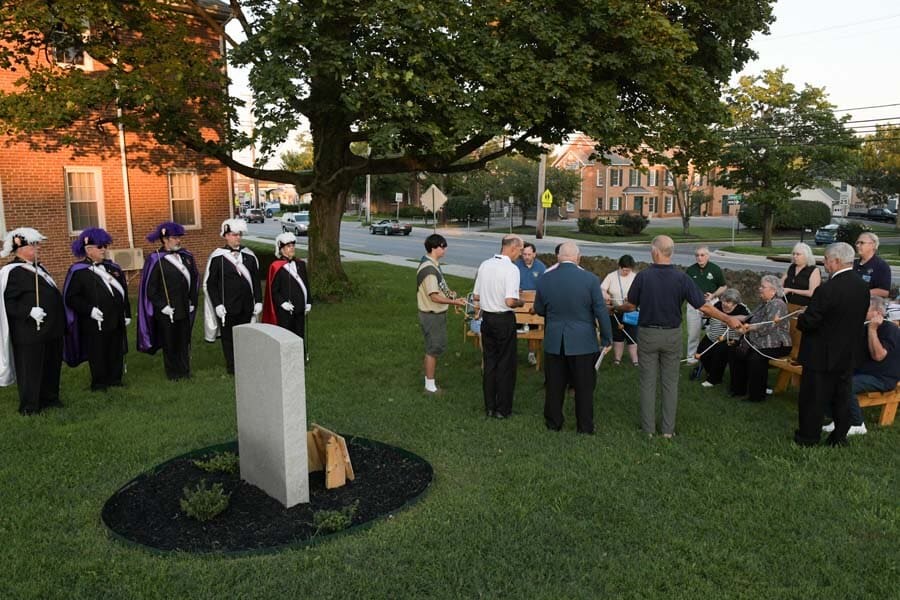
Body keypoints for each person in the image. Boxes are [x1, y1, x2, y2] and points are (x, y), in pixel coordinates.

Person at [622, 235, 742, 437]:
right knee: (670, 383)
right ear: (671, 252)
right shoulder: (682, 278)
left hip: (648, 334)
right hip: (672, 335)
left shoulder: (643, 276)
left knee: (648, 382)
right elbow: (703, 306)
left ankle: (648, 430)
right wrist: (728, 319)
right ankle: (668, 431)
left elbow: (630, 306)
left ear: (655, 251)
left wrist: (614, 308)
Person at [795, 242, 870, 447]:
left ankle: (808, 437)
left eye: (826, 260)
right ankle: (839, 437)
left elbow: (810, 322)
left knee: (813, 397)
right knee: (841, 396)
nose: (825, 264)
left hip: (820, 353)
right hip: (847, 352)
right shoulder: (862, 287)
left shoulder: (827, 289)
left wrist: (802, 318)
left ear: (836, 261)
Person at [534, 242, 612, 434]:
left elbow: (539, 309)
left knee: (554, 384)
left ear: (558, 257)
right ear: (578, 257)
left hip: (554, 339)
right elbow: (600, 311)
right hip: (583, 340)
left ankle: (553, 422)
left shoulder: (545, 279)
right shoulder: (590, 279)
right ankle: (584, 426)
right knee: (584, 386)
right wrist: (607, 338)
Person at [0, 228, 65, 415]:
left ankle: (50, 398)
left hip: (51, 329)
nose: (38, 248)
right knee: (31, 370)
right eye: (34, 245)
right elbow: (8, 303)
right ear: (20, 248)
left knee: (51, 365)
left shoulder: (39, 268)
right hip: (29, 332)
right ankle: (30, 406)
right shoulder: (12, 272)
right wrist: (29, 311)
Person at [62, 227, 131, 391]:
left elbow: (123, 293)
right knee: (98, 352)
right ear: (88, 249)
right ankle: (99, 383)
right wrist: (89, 310)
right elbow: (71, 298)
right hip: (94, 321)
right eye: (100, 247)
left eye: (105, 246)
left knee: (116, 349)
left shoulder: (113, 268)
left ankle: (115, 379)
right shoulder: (78, 271)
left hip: (115, 317)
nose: (104, 250)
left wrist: (126, 313)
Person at [822, 296, 899, 437]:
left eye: (865, 309)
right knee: (827, 378)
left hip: (882, 377)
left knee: (846, 384)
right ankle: (838, 418)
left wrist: (872, 330)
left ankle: (857, 424)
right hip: (862, 372)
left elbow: (878, 356)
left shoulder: (890, 329)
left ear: (877, 313)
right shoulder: (862, 326)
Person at [137, 222, 199, 380]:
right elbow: (150, 289)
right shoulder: (155, 258)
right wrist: (162, 306)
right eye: (174, 238)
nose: (178, 241)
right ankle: (173, 373)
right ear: (165, 239)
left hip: (184, 307)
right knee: (170, 343)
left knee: (184, 341)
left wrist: (192, 300)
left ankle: (185, 371)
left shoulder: (187, 257)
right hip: (167, 310)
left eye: (179, 238)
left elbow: (194, 280)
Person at [473, 234, 524, 418]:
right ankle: (503, 409)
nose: (520, 254)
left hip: (487, 319)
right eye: (520, 250)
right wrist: (521, 301)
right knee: (506, 364)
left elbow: (476, 296)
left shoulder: (485, 265)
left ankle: (489, 406)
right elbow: (510, 301)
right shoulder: (511, 269)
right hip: (503, 319)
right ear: (512, 247)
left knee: (490, 363)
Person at [203, 219, 263, 374]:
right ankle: (232, 367)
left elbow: (256, 281)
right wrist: (217, 305)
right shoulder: (218, 258)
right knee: (228, 339)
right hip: (227, 307)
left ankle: (247, 364)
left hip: (247, 306)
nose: (238, 238)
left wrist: (258, 300)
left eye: (239, 235)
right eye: (234, 235)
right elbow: (210, 284)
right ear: (226, 236)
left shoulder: (249, 256)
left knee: (247, 336)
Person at [414, 234, 467, 394]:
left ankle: (429, 382)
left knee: (435, 347)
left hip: (435, 314)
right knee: (433, 349)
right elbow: (434, 296)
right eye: (442, 246)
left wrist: (450, 294)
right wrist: (455, 302)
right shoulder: (429, 270)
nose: (445, 249)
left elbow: (439, 289)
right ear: (433, 248)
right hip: (431, 315)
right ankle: (430, 387)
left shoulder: (433, 264)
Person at [730, 276, 791, 402]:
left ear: (773, 291)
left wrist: (747, 329)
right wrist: (730, 319)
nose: (759, 289)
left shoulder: (778, 304)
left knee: (755, 358)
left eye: (763, 287)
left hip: (778, 343)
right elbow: (749, 318)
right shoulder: (765, 303)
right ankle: (738, 390)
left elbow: (768, 326)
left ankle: (756, 396)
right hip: (762, 340)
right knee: (737, 352)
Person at [262, 232, 312, 345]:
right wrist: (283, 303)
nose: (292, 248)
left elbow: (306, 284)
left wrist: (308, 301)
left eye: (293, 245)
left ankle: (300, 358)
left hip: (299, 307)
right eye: (288, 246)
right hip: (285, 311)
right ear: (281, 250)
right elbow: (273, 291)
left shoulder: (301, 264)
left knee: (300, 334)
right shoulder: (276, 266)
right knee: (287, 335)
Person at [695, 288, 749, 388]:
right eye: (723, 300)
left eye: (728, 302)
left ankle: (714, 379)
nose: (724, 303)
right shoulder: (717, 305)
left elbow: (747, 322)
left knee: (719, 353)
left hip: (729, 339)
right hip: (712, 336)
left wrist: (731, 320)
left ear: (735, 303)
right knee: (701, 351)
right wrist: (706, 315)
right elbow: (709, 314)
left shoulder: (742, 309)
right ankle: (710, 372)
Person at [684, 246, 726, 364]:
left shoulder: (715, 269)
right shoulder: (691, 270)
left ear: (708, 256)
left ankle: (710, 356)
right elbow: (685, 288)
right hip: (693, 304)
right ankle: (691, 358)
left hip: (711, 304)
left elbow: (723, 286)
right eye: (697, 255)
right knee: (693, 333)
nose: (699, 258)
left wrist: (713, 295)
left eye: (702, 255)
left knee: (712, 331)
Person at [601, 254, 638, 366]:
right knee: (618, 336)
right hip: (615, 311)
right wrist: (605, 295)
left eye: (628, 270)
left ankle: (635, 360)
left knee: (633, 336)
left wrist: (632, 297)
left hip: (631, 311)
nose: (626, 272)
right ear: (620, 267)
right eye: (624, 270)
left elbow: (641, 292)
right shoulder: (611, 276)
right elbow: (602, 289)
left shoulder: (635, 277)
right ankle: (617, 360)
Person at [516, 241, 547, 365]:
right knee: (514, 328)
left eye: (529, 254)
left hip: (533, 304)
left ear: (534, 254)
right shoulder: (516, 266)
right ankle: (512, 354)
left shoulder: (541, 267)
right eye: (524, 254)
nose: (527, 257)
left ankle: (531, 353)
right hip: (519, 302)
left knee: (533, 330)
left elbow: (544, 286)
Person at [781, 242, 821, 307]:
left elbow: (812, 292)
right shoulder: (791, 267)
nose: (794, 256)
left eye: (798, 254)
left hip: (803, 307)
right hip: (785, 304)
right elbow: (780, 284)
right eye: (793, 254)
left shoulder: (814, 270)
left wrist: (790, 290)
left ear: (806, 256)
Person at [853, 232, 891, 298]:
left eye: (862, 243)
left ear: (873, 245)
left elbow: (884, 292)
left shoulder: (881, 266)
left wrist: (860, 293)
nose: (857, 245)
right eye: (857, 242)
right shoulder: (853, 263)